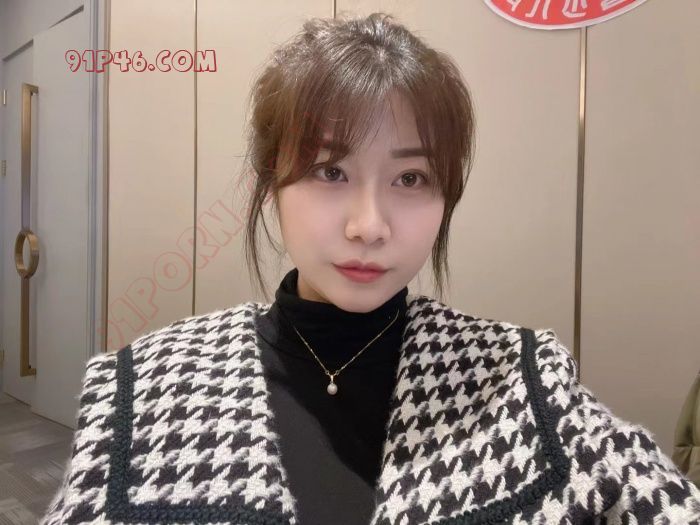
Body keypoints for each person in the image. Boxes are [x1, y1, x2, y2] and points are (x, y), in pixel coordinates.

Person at [42, 11, 700, 525]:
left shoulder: (521, 377)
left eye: (410, 178)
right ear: (272, 180)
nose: (370, 225)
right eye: (331, 171)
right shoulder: (141, 386)